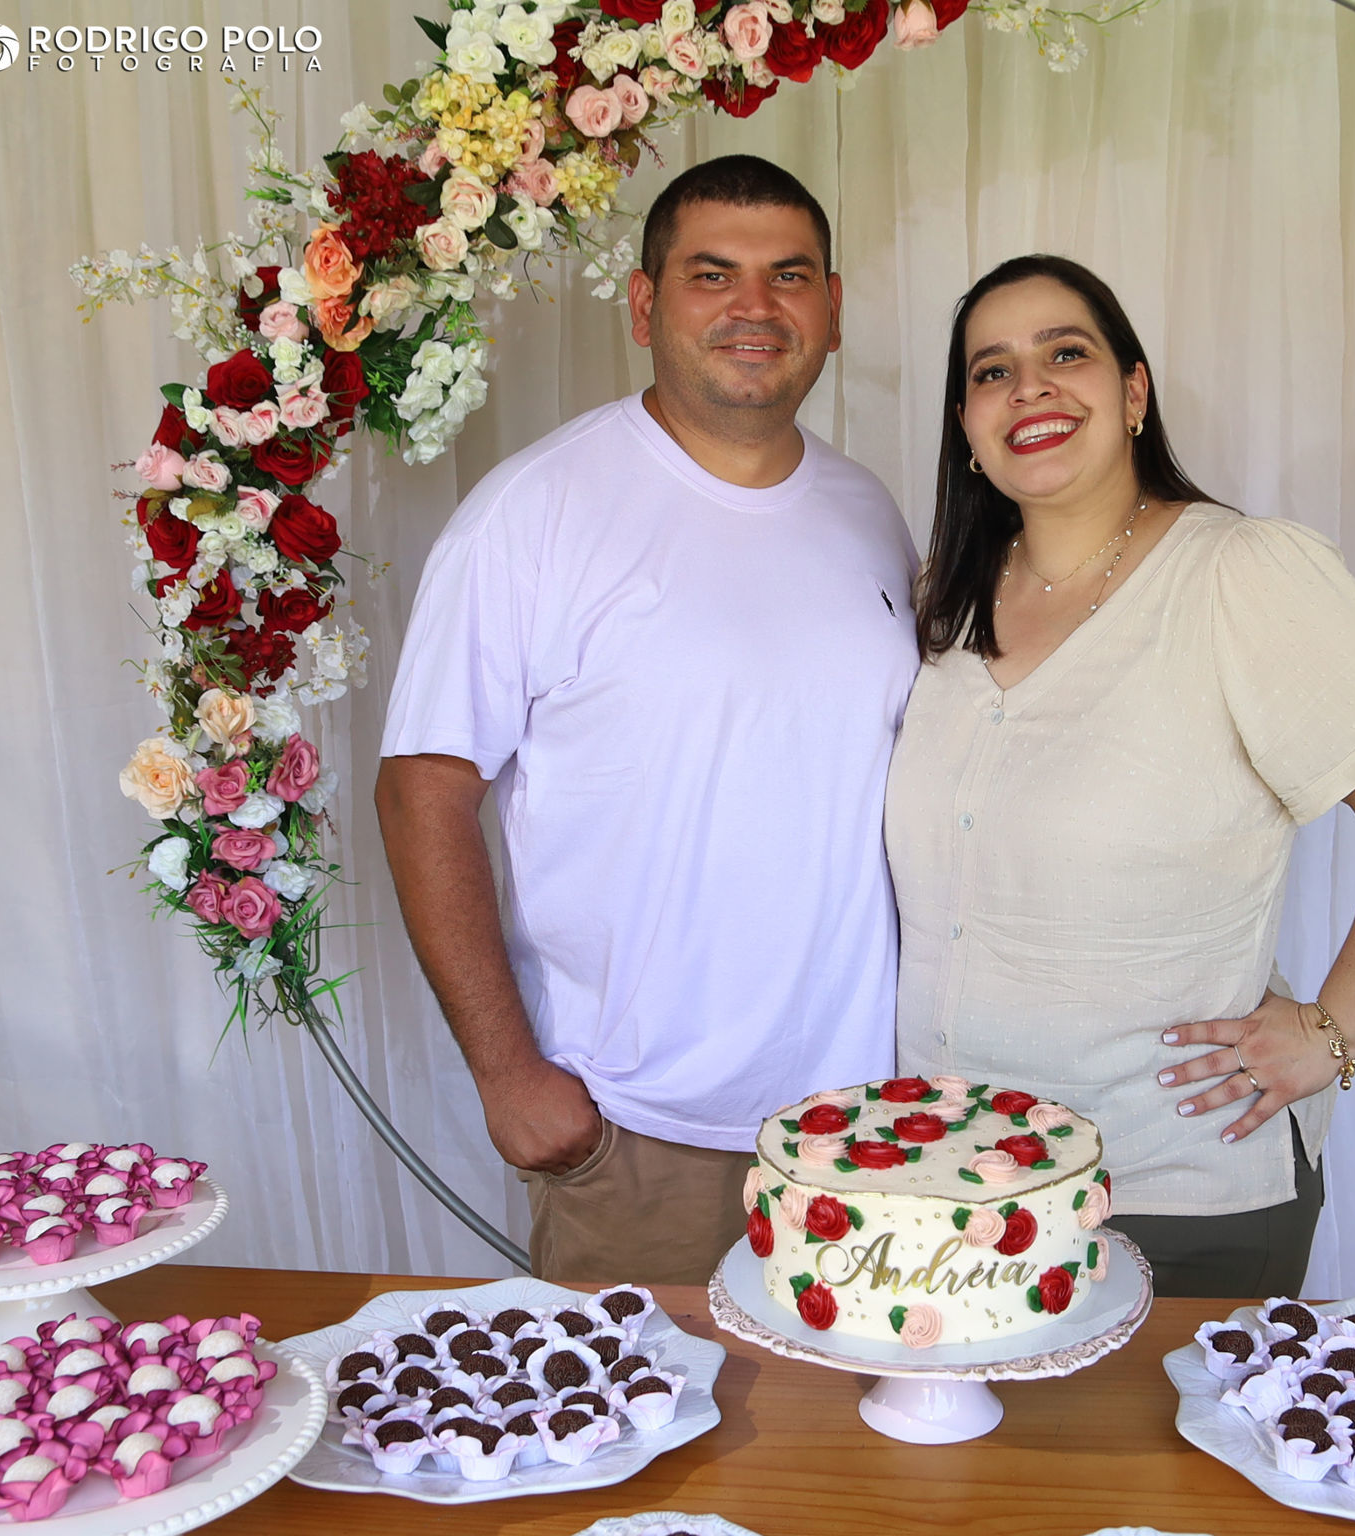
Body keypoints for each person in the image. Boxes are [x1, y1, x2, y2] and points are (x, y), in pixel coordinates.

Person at [885, 255, 1355, 1297]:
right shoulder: (945, 606)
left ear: (1134, 393)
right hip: (955, 1187)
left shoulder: (1237, 573)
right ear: (965, 425)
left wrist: (1331, 1034)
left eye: (1065, 354)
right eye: (993, 372)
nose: (1029, 388)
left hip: (1169, 1193)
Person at [375, 156, 919, 1286]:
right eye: (712, 274)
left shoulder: (869, 510)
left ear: (832, 306)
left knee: (864, 1453)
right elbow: (422, 786)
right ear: (643, 305)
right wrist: (509, 1077)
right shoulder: (535, 513)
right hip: (640, 1127)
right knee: (648, 1447)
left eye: (789, 276)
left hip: (865, 1125)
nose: (754, 308)